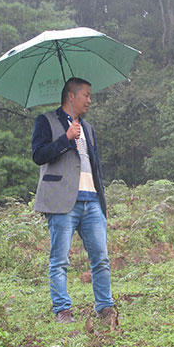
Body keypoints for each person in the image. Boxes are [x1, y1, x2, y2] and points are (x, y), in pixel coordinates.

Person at [31, 77, 116, 324]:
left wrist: (102, 202)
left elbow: (96, 165)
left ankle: (105, 306)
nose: (89, 100)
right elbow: (38, 155)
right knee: (60, 259)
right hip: (61, 201)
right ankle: (62, 310)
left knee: (100, 257)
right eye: (86, 95)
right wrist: (65, 138)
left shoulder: (88, 128)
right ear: (71, 95)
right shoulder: (45, 121)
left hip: (92, 200)